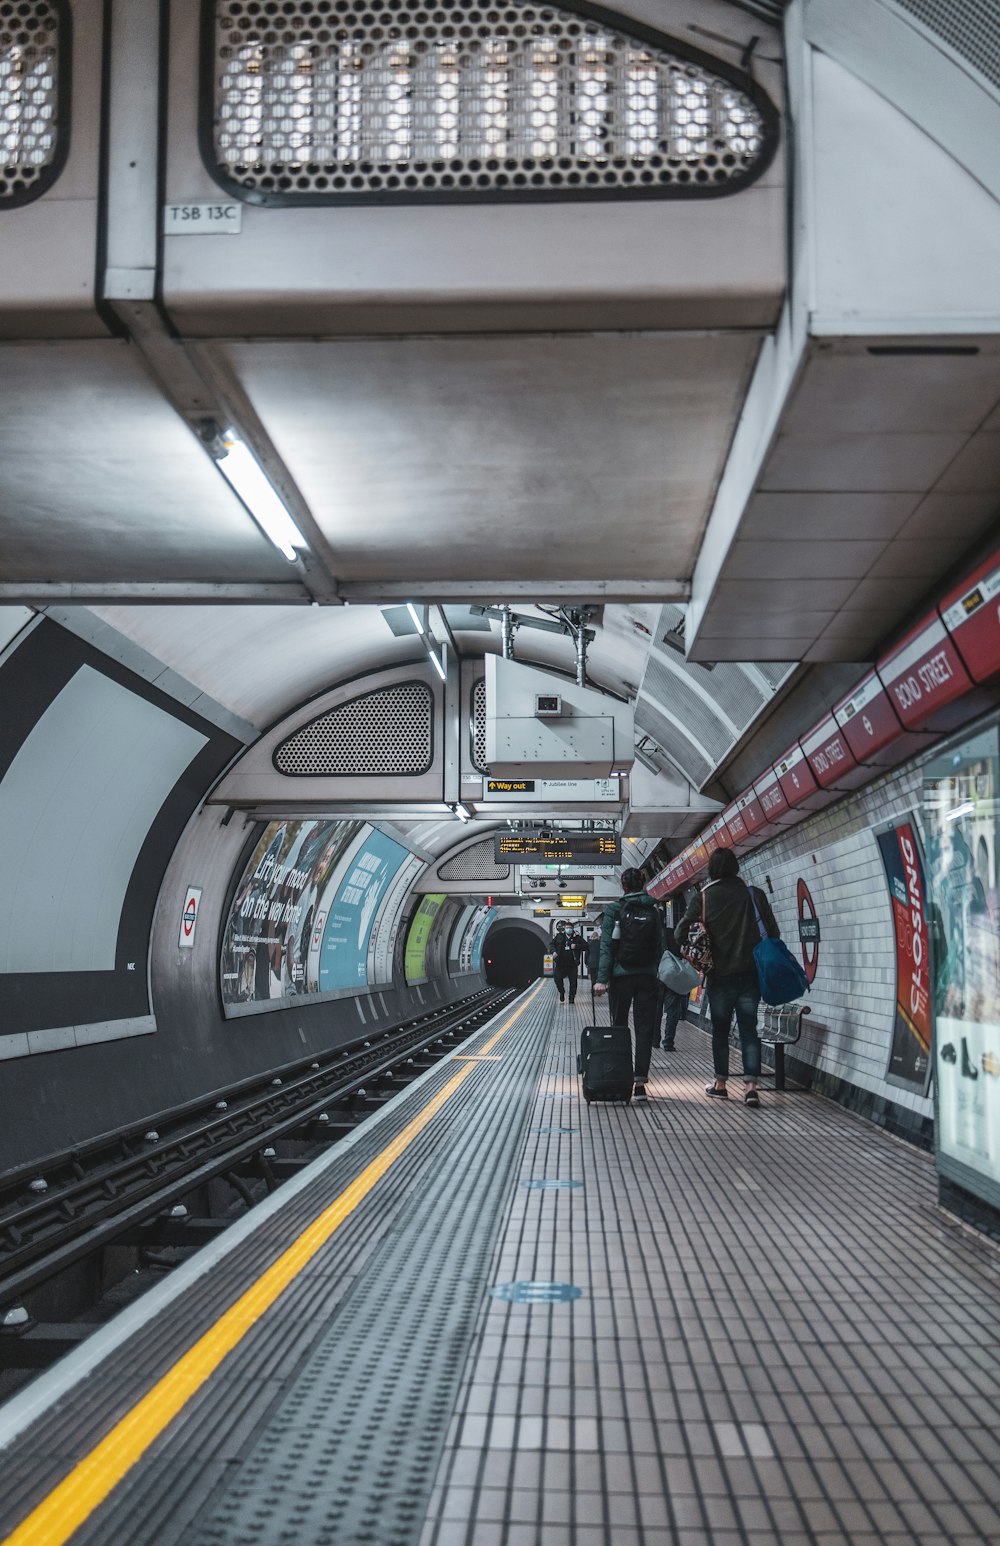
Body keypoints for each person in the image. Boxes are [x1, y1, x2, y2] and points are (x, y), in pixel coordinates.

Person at [676, 847, 779, 1107]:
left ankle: (721, 1084)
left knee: (720, 1031)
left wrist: (697, 949)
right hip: (750, 975)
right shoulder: (754, 895)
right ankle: (751, 1087)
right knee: (749, 1030)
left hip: (719, 976)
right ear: (736, 867)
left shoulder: (704, 898)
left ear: (712, 870)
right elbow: (773, 933)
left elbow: (680, 932)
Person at [594, 868, 665, 1101]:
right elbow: (659, 946)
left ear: (623, 886)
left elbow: (606, 947)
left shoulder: (615, 910)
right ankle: (641, 1084)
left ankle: (620, 1077)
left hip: (621, 977)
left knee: (619, 1028)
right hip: (647, 976)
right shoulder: (653, 910)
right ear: (643, 883)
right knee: (644, 1029)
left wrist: (602, 980)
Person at [658, 920, 687, 1052]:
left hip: (657, 975)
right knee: (672, 1010)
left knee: (655, 1010)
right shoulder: (672, 933)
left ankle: (654, 1039)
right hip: (673, 975)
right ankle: (668, 1041)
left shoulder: (650, 934)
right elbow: (682, 951)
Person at [551, 925, 578, 1003]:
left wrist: (576, 946)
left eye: (570, 928)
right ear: (565, 929)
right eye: (567, 928)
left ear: (572, 929)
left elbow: (585, 946)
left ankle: (571, 998)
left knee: (573, 982)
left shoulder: (577, 938)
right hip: (560, 963)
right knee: (557, 978)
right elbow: (552, 944)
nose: (568, 929)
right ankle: (561, 992)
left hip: (572, 964)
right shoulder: (559, 937)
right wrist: (553, 951)